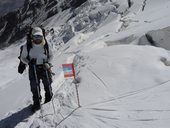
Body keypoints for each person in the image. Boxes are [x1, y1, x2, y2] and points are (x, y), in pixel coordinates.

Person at [20, 27, 53, 111]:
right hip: (33, 67)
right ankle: (37, 102)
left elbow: (51, 55)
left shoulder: (46, 44)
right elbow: (22, 58)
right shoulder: (27, 46)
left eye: (39, 37)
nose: (38, 39)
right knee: (34, 85)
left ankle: (49, 98)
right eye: (35, 37)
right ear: (32, 37)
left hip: (44, 67)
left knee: (47, 83)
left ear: (42, 37)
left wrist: (47, 62)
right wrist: (29, 62)